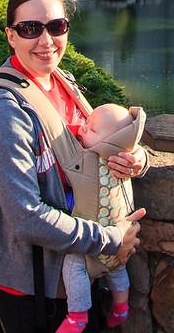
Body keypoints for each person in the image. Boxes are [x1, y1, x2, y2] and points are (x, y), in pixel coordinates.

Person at [0, 0, 147, 333]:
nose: (46, 40)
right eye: (30, 28)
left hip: (82, 274)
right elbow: (26, 217)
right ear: (11, 36)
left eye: (56, 26)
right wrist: (112, 239)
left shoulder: (64, 82)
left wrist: (136, 158)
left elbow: (100, 146)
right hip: (35, 288)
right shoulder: (1, 110)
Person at [59, 103, 145, 333]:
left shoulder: (95, 161)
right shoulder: (112, 154)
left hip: (96, 239)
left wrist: (140, 158)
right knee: (117, 269)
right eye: (85, 124)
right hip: (118, 237)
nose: (82, 129)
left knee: (74, 265)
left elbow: (76, 194)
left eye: (92, 129)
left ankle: (77, 316)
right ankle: (121, 307)